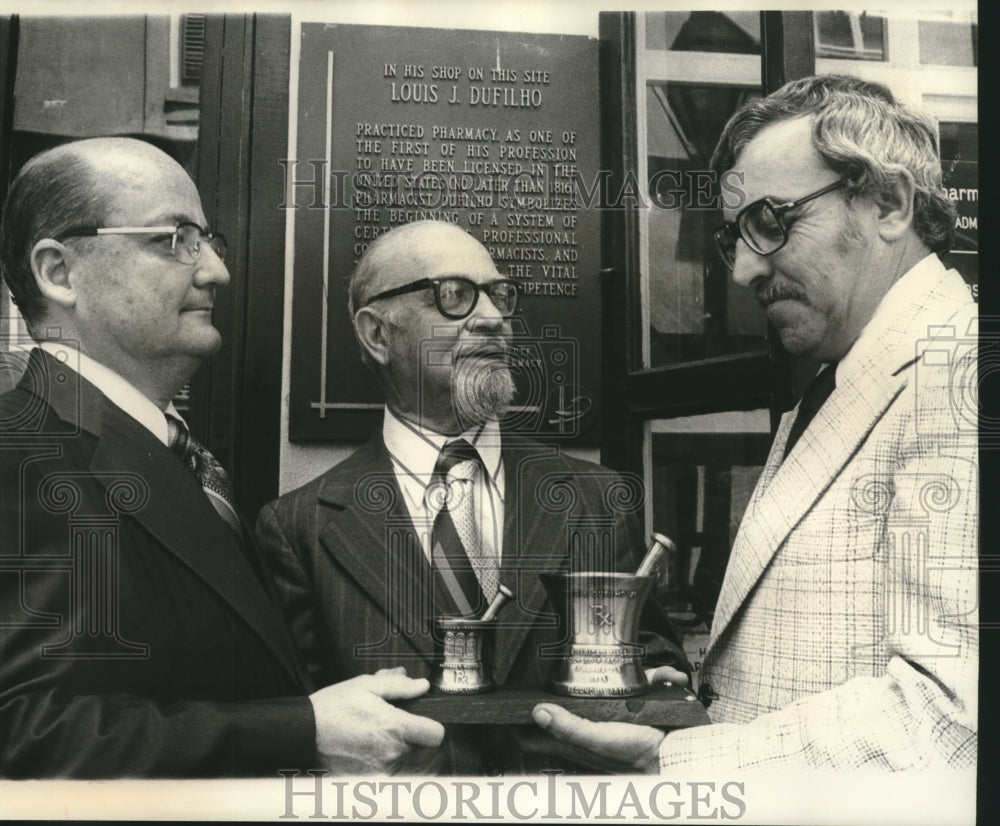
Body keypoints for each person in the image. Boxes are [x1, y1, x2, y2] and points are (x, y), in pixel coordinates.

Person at [532, 74, 978, 771]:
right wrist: (696, 707)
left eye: (771, 223)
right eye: (733, 238)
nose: (742, 271)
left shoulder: (963, 375)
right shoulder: (847, 376)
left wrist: (677, 757)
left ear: (888, 203)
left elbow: (949, 719)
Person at [0, 137, 443, 777]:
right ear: (59, 272)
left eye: (208, 240)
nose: (215, 271)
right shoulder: (21, 454)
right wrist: (302, 732)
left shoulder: (169, 452)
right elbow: (23, 738)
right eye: (172, 239)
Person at [256, 219, 688, 774]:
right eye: (454, 296)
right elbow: (301, 723)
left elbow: (652, 659)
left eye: (500, 295)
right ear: (377, 334)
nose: (492, 318)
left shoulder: (597, 498)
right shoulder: (299, 527)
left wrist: (653, 688)